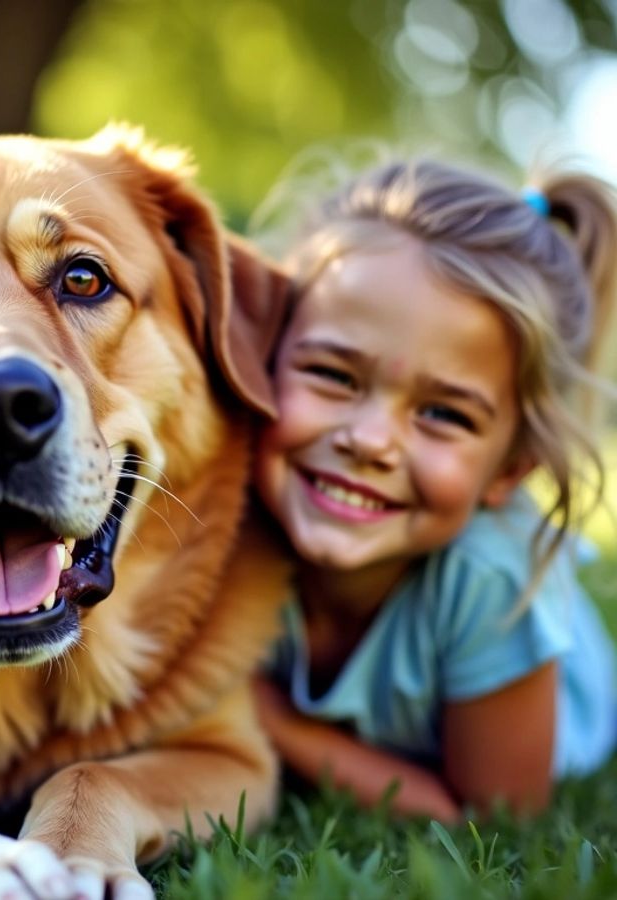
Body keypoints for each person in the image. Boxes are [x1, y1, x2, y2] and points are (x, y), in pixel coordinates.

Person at [251, 157, 617, 821]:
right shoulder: (229, 511)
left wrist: (274, 724)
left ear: (510, 470)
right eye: (334, 374)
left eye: (443, 414)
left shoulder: (491, 577)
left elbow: (489, 815)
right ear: (264, 355)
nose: (371, 440)